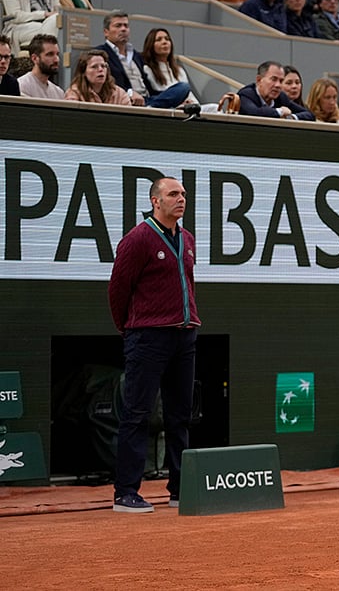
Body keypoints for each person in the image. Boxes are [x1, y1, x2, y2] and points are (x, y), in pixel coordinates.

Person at [106, 176, 199, 514]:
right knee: (137, 414)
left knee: (179, 416)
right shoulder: (137, 239)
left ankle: (179, 489)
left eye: (184, 194)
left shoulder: (187, 238)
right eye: (173, 194)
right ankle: (125, 492)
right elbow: (118, 290)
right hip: (147, 337)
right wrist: (130, 329)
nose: (181, 199)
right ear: (155, 201)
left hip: (184, 335)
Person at [237, 60, 315, 120]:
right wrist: (280, 112)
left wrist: (291, 117)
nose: (278, 85)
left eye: (281, 81)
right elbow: (254, 113)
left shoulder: (281, 97)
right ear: (259, 80)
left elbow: (310, 115)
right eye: (273, 79)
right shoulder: (245, 95)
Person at [141, 28, 197, 107]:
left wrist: (193, 103)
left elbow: (190, 95)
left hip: (186, 106)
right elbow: (161, 93)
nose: (164, 42)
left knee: (214, 108)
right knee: (184, 86)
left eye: (167, 39)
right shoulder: (148, 69)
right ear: (151, 45)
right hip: (163, 105)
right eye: (159, 40)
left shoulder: (180, 71)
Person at [63, 49, 129, 104]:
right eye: (94, 67)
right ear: (84, 72)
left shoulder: (119, 93)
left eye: (103, 66)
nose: (100, 70)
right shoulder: (74, 92)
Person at [17, 33, 64, 99]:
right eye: (50, 54)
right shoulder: (22, 86)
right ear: (35, 58)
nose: (56, 60)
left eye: (57, 54)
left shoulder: (59, 93)